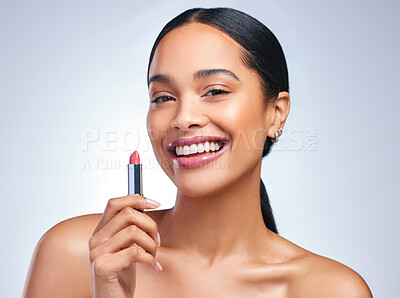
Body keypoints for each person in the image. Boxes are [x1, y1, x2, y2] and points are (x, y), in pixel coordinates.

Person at [23, 7, 373, 297]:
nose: (183, 118)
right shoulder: (78, 255)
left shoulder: (331, 290)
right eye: (163, 97)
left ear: (276, 113)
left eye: (215, 91)